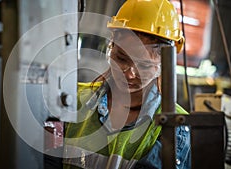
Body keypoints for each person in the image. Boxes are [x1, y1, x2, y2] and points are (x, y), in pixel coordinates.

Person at [62, 0, 191, 168]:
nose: (128, 74)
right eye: (121, 58)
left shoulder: (176, 127)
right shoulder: (71, 98)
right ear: (111, 46)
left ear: (164, 63)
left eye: (144, 65)